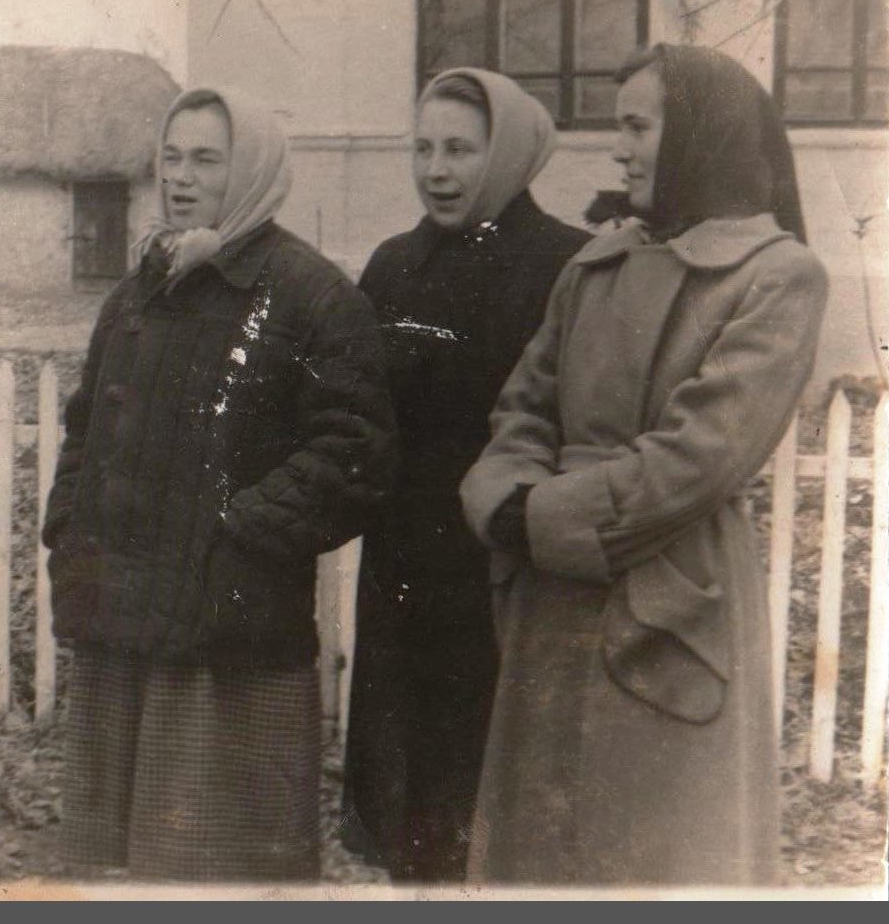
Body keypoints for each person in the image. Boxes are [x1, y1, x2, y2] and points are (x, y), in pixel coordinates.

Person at [459, 44, 828, 885]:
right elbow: (523, 408)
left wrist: (543, 516)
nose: (618, 149)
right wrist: (505, 499)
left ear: (698, 134)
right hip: (553, 596)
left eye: (636, 126)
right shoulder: (595, 265)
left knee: (658, 860)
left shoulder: (778, 277)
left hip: (671, 597)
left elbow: (701, 456)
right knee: (544, 853)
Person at [42, 86, 396, 882]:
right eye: (171, 157)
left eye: (206, 159)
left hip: (230, 642)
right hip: (119, 630)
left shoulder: (312, 296)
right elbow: (84, 426)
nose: (180, 177)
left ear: (253, 170)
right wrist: (70, 529)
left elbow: (356, 452)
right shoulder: (139, 291)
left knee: (221, 873)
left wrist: (239, 536)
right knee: (119, 877)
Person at [340, 69, 590, 881]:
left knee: (500, 803)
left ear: (506, 151)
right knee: (414, 807)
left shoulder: (568, 266)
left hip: (510, 566)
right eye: (422, 149)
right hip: (405, 568)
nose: (436, 170)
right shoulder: (393, 266)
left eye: (459, 149)